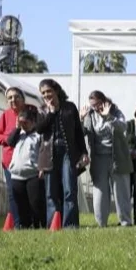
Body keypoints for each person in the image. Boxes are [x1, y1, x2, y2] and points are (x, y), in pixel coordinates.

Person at [36, 78, 88, 229]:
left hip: (68, 152)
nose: (46, 95)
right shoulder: (41, 110)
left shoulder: (70, 107)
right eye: (43, 93)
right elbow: (39, 129)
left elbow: (78, 132)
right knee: (50, 192)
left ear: (56, 90)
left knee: (69, 189)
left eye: (49, 91)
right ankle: (53, 224)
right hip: (48, 154)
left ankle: (70, 225)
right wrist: (51, 112)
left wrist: (84, 152)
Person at [81, 90, 133, 227]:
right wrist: (81, 119)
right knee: (100, 192)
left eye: (98, 104)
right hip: (99, 158)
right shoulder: (90, 115)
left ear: (104, 101)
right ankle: (101, 223)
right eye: (93, 106)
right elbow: (82, 133)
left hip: (118, 157)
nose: (96, 108)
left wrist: (109, 116)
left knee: (121, 192)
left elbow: (123, 127)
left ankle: (126, 222)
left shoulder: (115, 111)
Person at [0, 87, 33, 228]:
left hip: (30, 160)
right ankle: (18, 224)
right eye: (10, 98)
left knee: (31, 193)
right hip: (10, 162)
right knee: (14, 193)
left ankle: (33, 222)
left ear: (23, 99)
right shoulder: (6, 115)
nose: (13, 100)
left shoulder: (32, 111)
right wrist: (9, 138)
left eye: (16, 96)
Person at [7, 107, 46, 229]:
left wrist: (42, 168)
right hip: (16, 175)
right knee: (21, 204)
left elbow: (43, 152)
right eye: (21, 122)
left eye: (26, 122)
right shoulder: (19, 134)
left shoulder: (38, 135)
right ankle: (25, 226)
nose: (23, 125)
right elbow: (10, 142)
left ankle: (38, 225)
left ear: (33, 122)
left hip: (33, 174)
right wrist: (17, 128)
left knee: (35, 203)